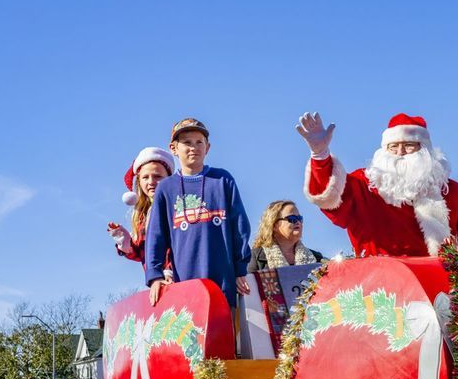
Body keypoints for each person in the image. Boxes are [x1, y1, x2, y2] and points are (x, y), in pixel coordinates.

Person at [297, 111, 458, 257]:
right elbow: (331, 198)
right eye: (393, 147)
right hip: (378, 288)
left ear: (425, 150)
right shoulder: (366, 184)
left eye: (409, 146)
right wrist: (320, 155)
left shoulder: (452, 192)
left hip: (439, 289)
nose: (400, 152)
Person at [145, 118, 252, 308]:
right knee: (191, 334)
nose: (193, 147)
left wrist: (240, 269)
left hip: (223, 282)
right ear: (173, 148)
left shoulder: (222, 180)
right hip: (184, 283)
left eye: (199, 142)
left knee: (224, 335)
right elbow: (156, 236)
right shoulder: (166, 189)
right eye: (186, 142)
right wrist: (155, 276)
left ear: (207, 147)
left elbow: (240, 226)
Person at [107, 147, 174, 269]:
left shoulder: (175, 208)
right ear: (139, 182)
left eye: (157, 176)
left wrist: (169, 270)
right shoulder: (142, 216)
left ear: (169, 179)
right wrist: (126, 243)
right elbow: (141, 253)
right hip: (156, 280)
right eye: (145, 177)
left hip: (178, 277)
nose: (151, 182)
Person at [248, 200, 323, 272]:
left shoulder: (317, 259)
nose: (298, 222)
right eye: (292, 219)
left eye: (299, 218)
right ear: (274, 225)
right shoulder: (254, 257)